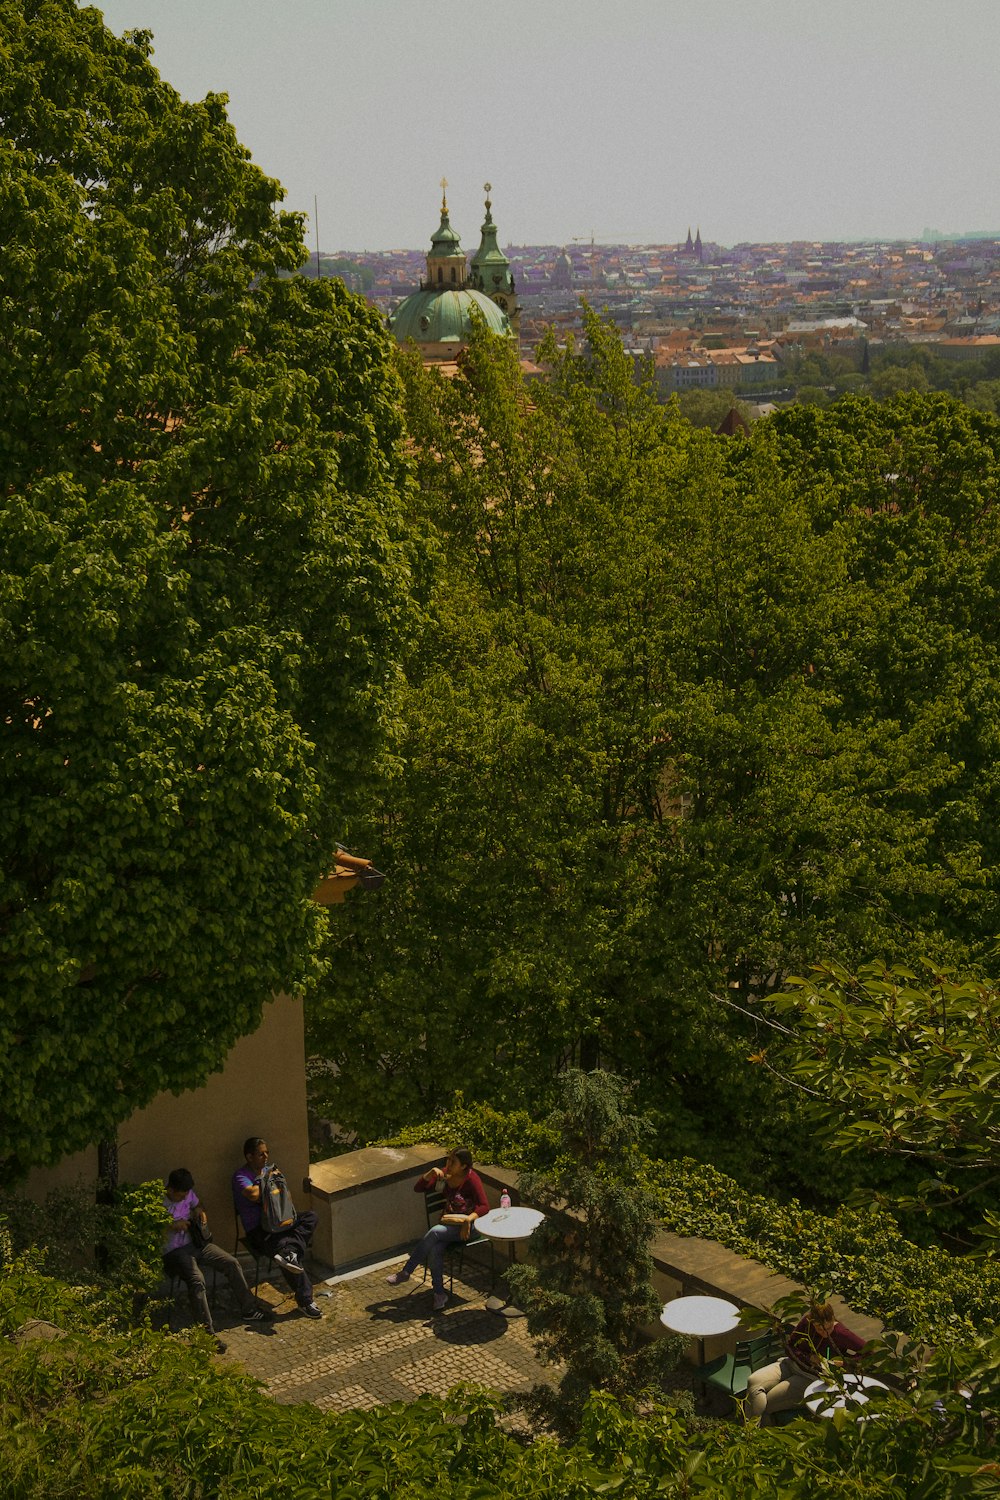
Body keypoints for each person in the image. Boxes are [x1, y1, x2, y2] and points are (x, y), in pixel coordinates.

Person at [163, 1167, 270, 1352]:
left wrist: (200, 1211)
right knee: (197, 1281)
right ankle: (206, 1335)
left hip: (197, 1244)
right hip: (175, 1252)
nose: (184, 1197)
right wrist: (172, 1225)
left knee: (230, 1262)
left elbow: (198, 1204)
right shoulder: (160, 1204)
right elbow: (153, 1227)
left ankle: (249, 1309)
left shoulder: (188, 1194)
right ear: (171, 1190)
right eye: (181, 1195)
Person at [385, 1148, 489, 1311]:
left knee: (435, 1232)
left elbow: (484, 1206)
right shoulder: (445, 1174)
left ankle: (406, 1272)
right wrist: (429, 1174)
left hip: (468, 1228)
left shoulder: (471, 1179)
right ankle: (439, 1294)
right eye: (448, 1160)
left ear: (463, 1166)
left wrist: (469, 1219)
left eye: (453, 1162)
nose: (448, 1164)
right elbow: (418, 1188)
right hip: (448, 1225)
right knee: (435, 1248)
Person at [232, 1137, 322, 1319]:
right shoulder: (240, 1176)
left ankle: (292, 1253)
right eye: (260, 1154)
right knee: (284, 1252)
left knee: (311, 1217)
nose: (265, 1156)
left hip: (281, 1222)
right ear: (249, 1157)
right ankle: (306, 1301)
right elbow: (254, 1195)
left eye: (267, 1153)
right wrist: (268, 1179)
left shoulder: (268, 1170)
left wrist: (271, 1178)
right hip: (259, 1230)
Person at [745, 1300, 866, 1422]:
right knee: (753, 1381)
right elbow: (790, 1346)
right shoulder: (806, 1323)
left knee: (769, 1401)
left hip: (811, 1377)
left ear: (833, 1319)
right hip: (791, 1363)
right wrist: (808, 1358)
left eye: (828, 1328)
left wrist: (845, 1362)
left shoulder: (841, 1333)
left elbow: (869, 1352)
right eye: (819, 1329)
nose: (824, 1333)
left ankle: (757, 1432)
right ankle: (751, 1429)